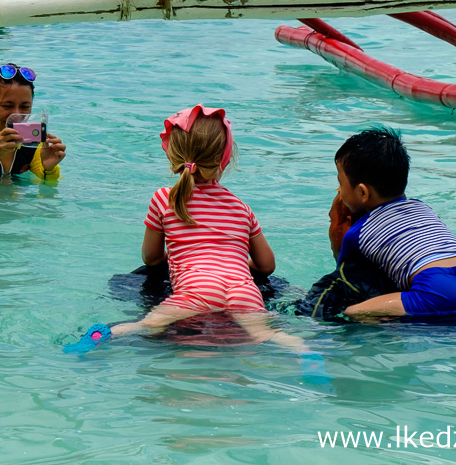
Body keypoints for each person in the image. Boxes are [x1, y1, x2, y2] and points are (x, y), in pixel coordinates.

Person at [65, 106, 315, 368]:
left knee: (148, 325)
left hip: (197, 287)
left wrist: (175, 258)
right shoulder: (240, 206)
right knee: (268, 334)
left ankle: (97, 337)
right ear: (225, 158)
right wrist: (237, 264)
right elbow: (267, 266)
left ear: (173, 153)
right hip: (243, 289)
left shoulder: (165, 198)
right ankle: (305, 353)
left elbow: (151, 259)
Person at [335, 127, 456, 318]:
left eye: (340, 183)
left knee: (353, 311)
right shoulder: (423, 208)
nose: (339, 191)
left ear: (363, 193)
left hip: (436, 288)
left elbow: (347, 280)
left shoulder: (358, 233)